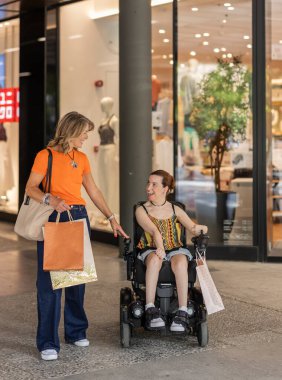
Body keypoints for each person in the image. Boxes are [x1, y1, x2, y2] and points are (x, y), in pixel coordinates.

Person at [25, 111, 128, 361]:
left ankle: (75, 331)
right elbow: (30, 188)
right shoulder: (45, 156)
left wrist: (111, 217)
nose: (86, 137)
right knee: (50, 284)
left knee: (76, 280)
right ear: (71, 131)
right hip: (54, 216)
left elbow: (92, 189)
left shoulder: (80, 158)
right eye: (83, 132)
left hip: (78, 216)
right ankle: (48, 342)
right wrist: (52, 199)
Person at [135, 170, 208, 332]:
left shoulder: (175, 209)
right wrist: (160, 248)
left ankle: (182, 311)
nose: (148, 188)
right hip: (151, 248)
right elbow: (153, 231)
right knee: (155, 259)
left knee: (181, 262)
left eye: (154, 184)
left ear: (165, 188)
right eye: (148, 183)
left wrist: (202, 229)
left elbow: (192, 227)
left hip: (175, 248)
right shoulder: (142, 209)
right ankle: (150, 308)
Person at [95, 97, 119, 223]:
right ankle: (104, 211)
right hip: (102, 150)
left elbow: (119, 138)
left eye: (103, 105)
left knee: (110, 181)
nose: (101, 107)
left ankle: (111, 211)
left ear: (109, 105)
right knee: (102, 180)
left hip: (110, 150)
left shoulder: (114, 120)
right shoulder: (102, 120)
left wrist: (117, 155)